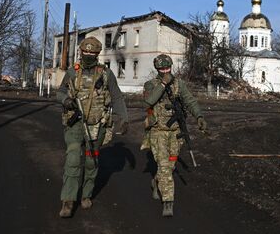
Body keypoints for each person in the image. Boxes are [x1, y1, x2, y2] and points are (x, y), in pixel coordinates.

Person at [57, 36, 129, 218]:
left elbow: (117, 97)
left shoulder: (106, 74)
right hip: (75, 124)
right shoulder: (73, 72)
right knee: (72, 159)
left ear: (97, 54)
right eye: (85, 52)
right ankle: (68, 200)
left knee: (91, 162)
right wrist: (66, 101)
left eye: (92, 53)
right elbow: (61, 91)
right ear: (81, 52)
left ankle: (86, 195)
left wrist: (123, 118)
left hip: (97, 125)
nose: (88, 55)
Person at [142, 54, 207, 217]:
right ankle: (168, 203)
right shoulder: (151, 84)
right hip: (159, 131)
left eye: (168, 68)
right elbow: (149, 101)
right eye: (162, 69)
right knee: (164, 166)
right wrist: (163, 84)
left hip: (176, 132)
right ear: (157, 69)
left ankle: (157, 181)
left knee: (170, 165)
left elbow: (190, 101)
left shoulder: (179, 84)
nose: (165, 71)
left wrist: (199, 116)